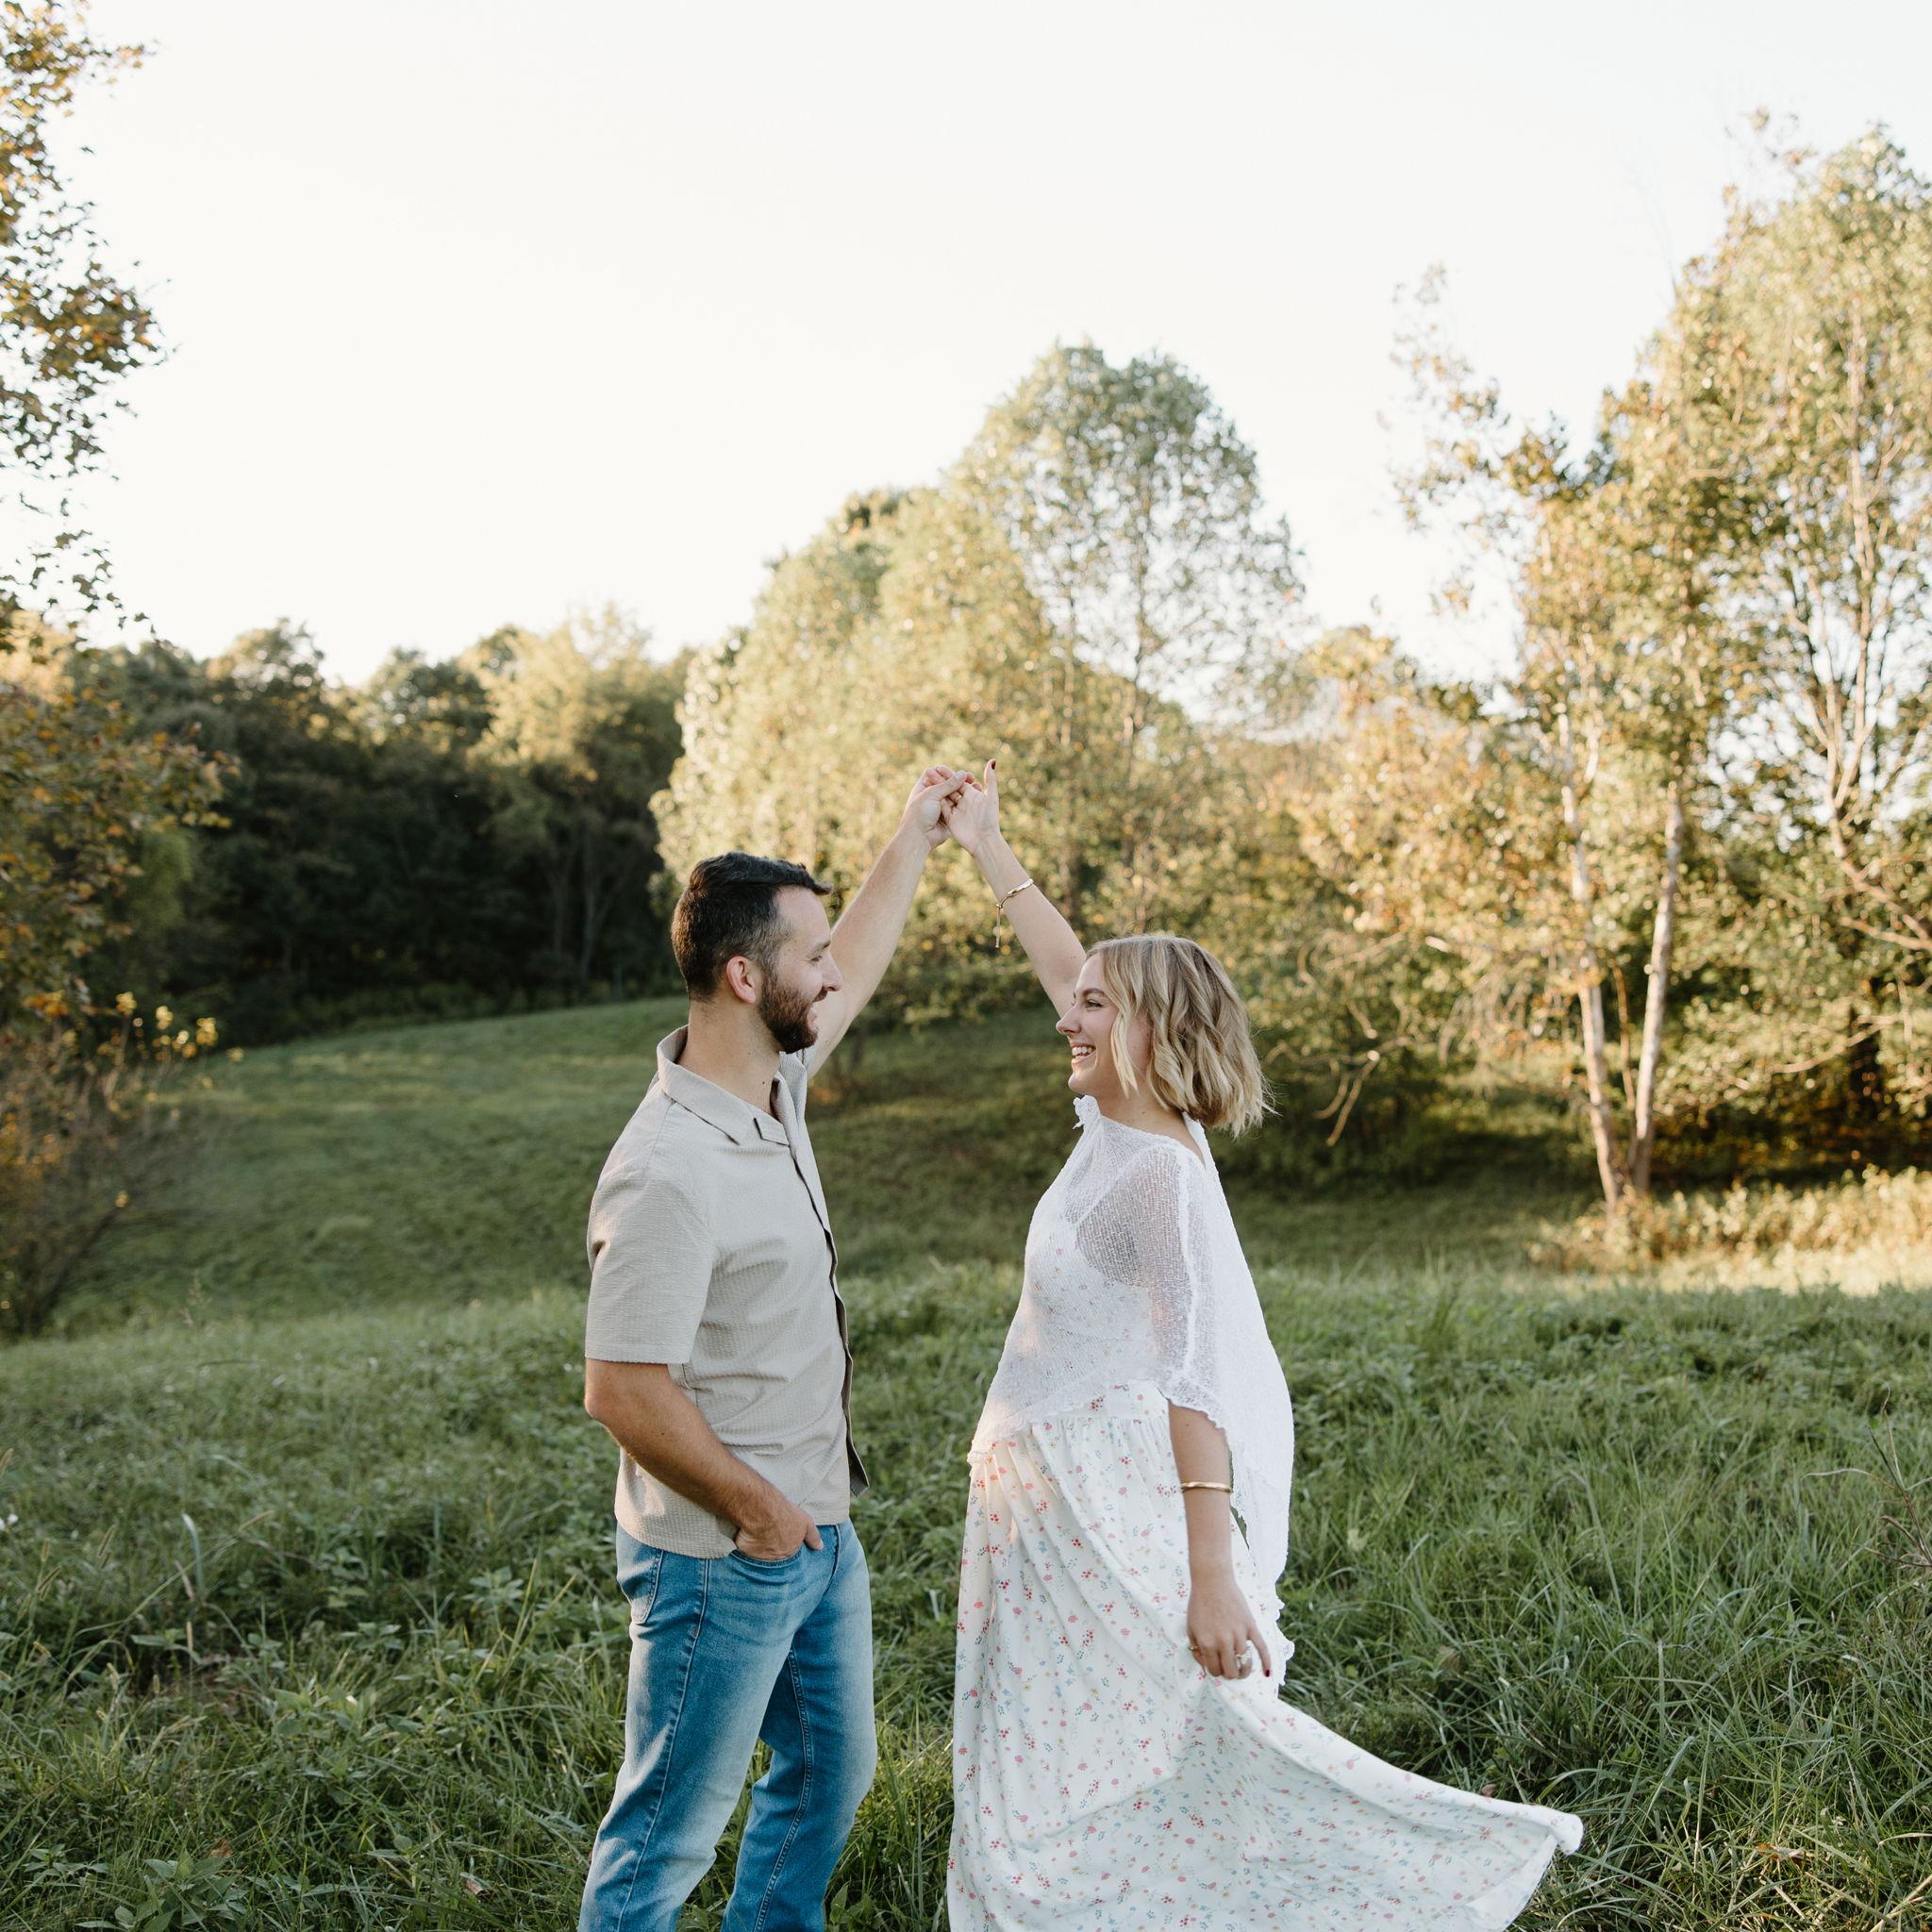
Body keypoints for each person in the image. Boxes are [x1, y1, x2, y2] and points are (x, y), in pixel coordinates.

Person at [940, 761, 1583, 1930]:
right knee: (1051, 1759)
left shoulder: (1158, 1176)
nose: (1064, 1017)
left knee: (1138, 1744)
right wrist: (987, 846)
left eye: (1094, 1007)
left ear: (1152, 1029)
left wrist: (1211, 1576)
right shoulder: (1114, 1124)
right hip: (1040, 1505)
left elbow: (1192, 1381)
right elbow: (1067, 965)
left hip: (1099, 1500)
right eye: (1075, 1001)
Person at [577, 766, 971, 1932]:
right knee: (664, 1835)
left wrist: (914, 834)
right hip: (723, 1548)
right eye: (810, 955)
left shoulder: (771, 1085)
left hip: (815, 1526)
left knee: (827, 1777)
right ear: (745, 977)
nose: (832, 973)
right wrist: (761, 1514)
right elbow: (621, 1388)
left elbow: (860, 952)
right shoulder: (667, 1168)